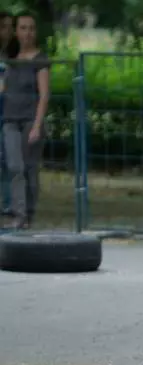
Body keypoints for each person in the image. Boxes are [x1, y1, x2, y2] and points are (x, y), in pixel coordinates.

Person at [2, 12, 49, 231]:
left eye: (30, 28)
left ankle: (28, 214)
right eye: (22, 28)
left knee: (29, 168)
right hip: (10, 119)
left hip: (30, 120)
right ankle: (19, 214)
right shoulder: (10, 58)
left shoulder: (40, 59)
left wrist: (38, 125)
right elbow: (4, 87)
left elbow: (44, 95)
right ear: (16, 31)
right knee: (14, 166)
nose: (27, 33)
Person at [0, 12, 13, 217]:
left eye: (11, 26)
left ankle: (7, 204)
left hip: (8, 112)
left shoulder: (12, 54)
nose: (8, 31)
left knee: (8, 159)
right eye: (3, 26)